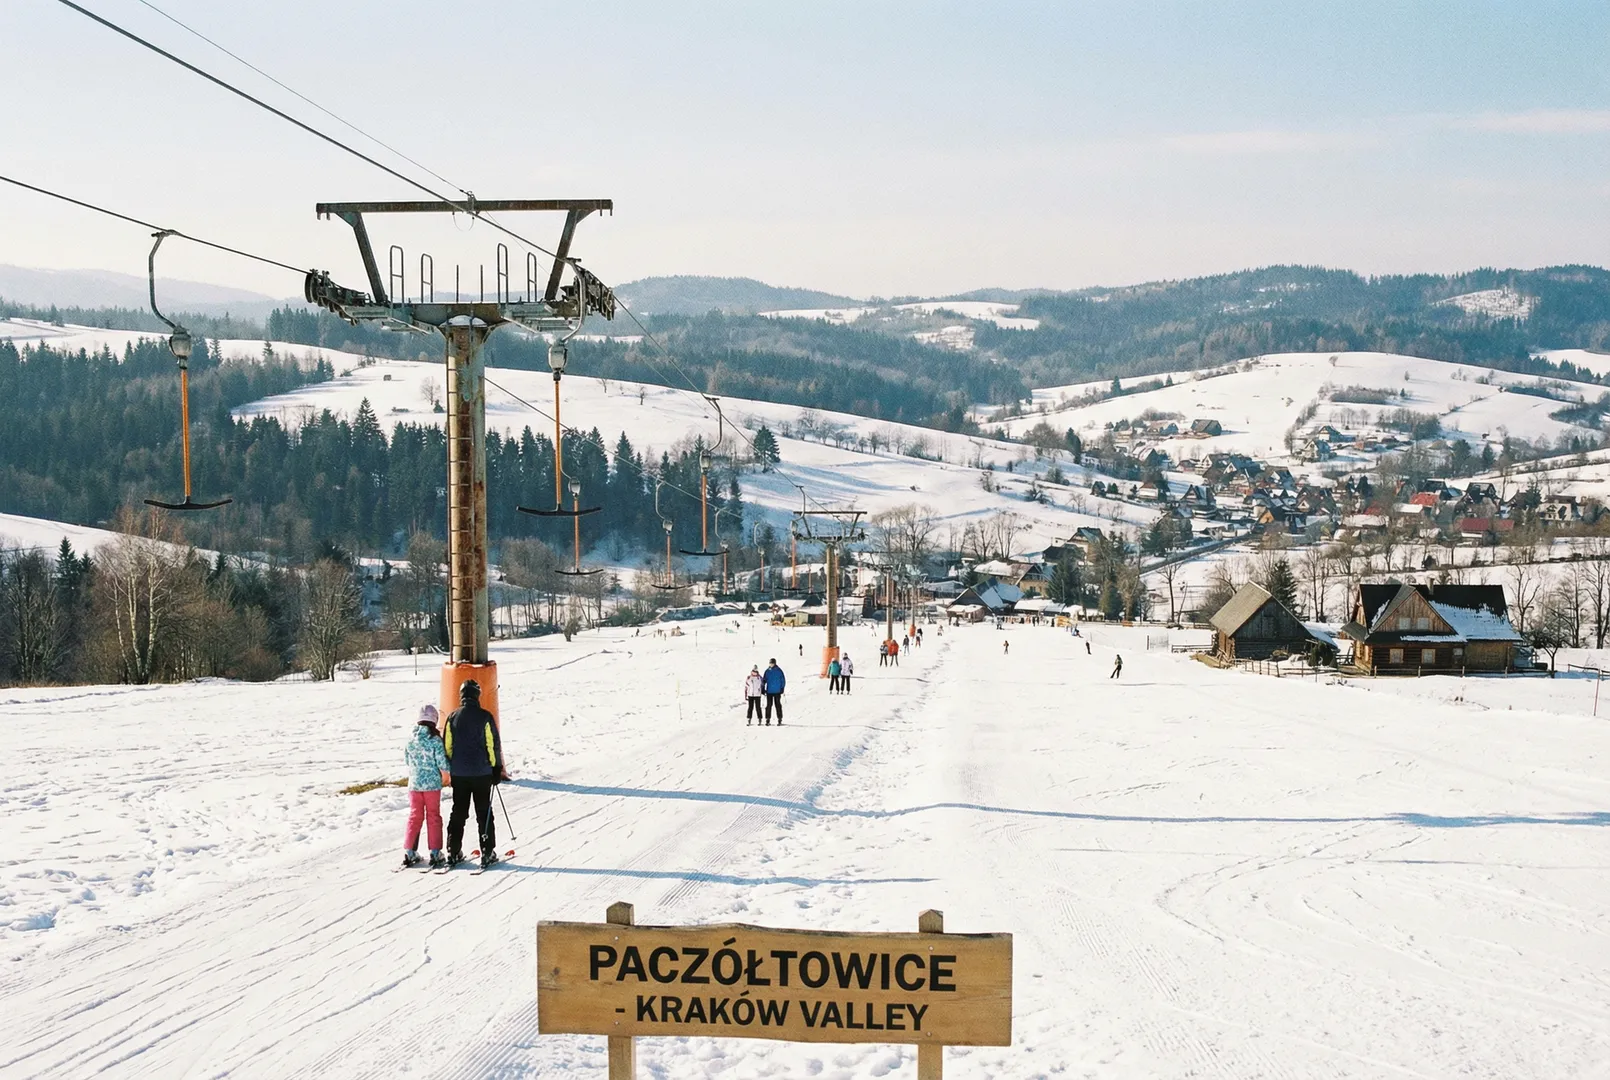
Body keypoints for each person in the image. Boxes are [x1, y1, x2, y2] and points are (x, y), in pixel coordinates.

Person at [445, 680, 506, 868]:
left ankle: (453, 851)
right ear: (477, 695)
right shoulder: (485, 717)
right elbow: (492, 744)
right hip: (481, 773)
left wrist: (453, 766)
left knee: (458, 811)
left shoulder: (452, 717)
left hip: (459, 774)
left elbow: (447, 745)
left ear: (461, 695)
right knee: (483, 812)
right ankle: (487, 852)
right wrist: (496, 768)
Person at [401, 705, 450, 869]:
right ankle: (435, 852)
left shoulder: (410, 740)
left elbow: (407, 761)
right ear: (434, 720)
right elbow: (442, 763)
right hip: (432, 786)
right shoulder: (435, 741)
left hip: (414, 785)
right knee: (433, 817)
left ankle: (409, 850)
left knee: (415, 817)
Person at [763, 658, 786, 724]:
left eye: (772, 663)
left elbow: (783, 680)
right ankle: (767, 719)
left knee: (778, 705)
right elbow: (764, 680)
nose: (771, 664)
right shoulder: (767, 671)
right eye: (770, 663)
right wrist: (763, 687)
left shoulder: (779, 671)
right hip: (769, 691)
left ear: (775, 663)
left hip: (777, 691)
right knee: (769, 705)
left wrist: (782, 688)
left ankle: (779, 718)